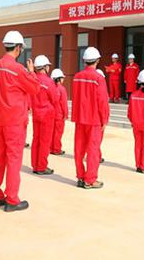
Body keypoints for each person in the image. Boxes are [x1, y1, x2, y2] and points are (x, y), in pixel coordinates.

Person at [0, 31, 40, 212]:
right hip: (14, 121)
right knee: (13, 159)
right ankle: (12, 198)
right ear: (18, 48)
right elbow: (34, 88)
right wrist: (32, 72)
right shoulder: (17, 69)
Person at [71, 47, 110, 189]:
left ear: (84, 61)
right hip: (93, 119)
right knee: (93, 150)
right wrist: (104, 119)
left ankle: (80, 177)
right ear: (97, 61)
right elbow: (102, 101)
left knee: (79, 149)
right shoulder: (98, 78)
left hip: (80, 118)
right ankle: (90, 179)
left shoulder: (77, 76)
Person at [30, 55, 57, 175]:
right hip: (47, 114)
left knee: (36, 139)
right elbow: (55, 98)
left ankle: (35, 165)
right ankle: (41, 166)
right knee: (45, 141)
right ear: (45, 67)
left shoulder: (33, 79)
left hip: (36, 113)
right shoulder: (49, 81)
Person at [50, 68, 68, 156]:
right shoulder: (62, 89)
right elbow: (64, 103)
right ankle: (56, 149)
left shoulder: (50, 87)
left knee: (51, 132)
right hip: (59, 115)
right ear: (59, 78)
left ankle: (50, 148)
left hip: (50, 114)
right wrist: (65, 114)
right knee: (58, 133)